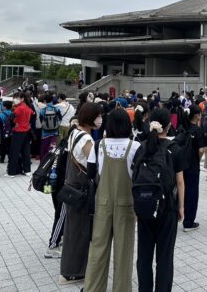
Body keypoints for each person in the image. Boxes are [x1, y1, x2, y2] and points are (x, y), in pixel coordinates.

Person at [84, 108, 139, 292]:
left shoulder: (99, 145)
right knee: (124, 251)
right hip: (127, 203)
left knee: (98, 248)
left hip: (102, 202)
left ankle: (93, 288)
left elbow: (91, 173)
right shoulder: (135, 146)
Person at [135, 107, 186, 291]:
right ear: (169, 126)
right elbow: (179, 182)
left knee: (144, 255)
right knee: (165, 256)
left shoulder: (142, 147)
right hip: (167, 208)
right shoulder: (175, 149)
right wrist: (181, 207)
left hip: (144, 208)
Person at [59, 102, 102, 284]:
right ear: (90, 118)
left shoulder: (74, 132)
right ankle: (73, 271)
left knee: (73, 228)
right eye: (98, 116)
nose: (100, 119)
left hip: (72, 186)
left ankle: (70, 268)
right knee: (80, 230)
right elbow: (93, 165)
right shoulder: (86, 139)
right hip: (82, 189)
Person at [180, 104, 205, 231]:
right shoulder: (198, 131)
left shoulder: (182, 128)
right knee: (192, 193)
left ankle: (177, 216)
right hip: (193, 165)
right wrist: (198, 159)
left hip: (180, 165)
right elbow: (201, 150)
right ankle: (189, 222)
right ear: (197, 116)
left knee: (179, 190)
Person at [6, 93, 33, 178]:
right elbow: (32, 117)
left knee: (14, 151)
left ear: (22, 99)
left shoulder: (19, 108)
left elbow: (10, 118)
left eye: (17, 98)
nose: (15, 99)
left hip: (18, 131)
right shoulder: (28, 107)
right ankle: (27, 170)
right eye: (14, 98)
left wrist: (14, 124)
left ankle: (12, 172)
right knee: (26, 151)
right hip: (27, 131)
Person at [40, 94, 62, 161]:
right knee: (53, 148)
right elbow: (60, 118)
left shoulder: (43, 110)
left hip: (45, 133)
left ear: (45, 101)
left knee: (44, 148)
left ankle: (43, 161)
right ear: (52, 100)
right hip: (54, 132)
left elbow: (41, 119)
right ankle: (52, 161)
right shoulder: (56, 109)